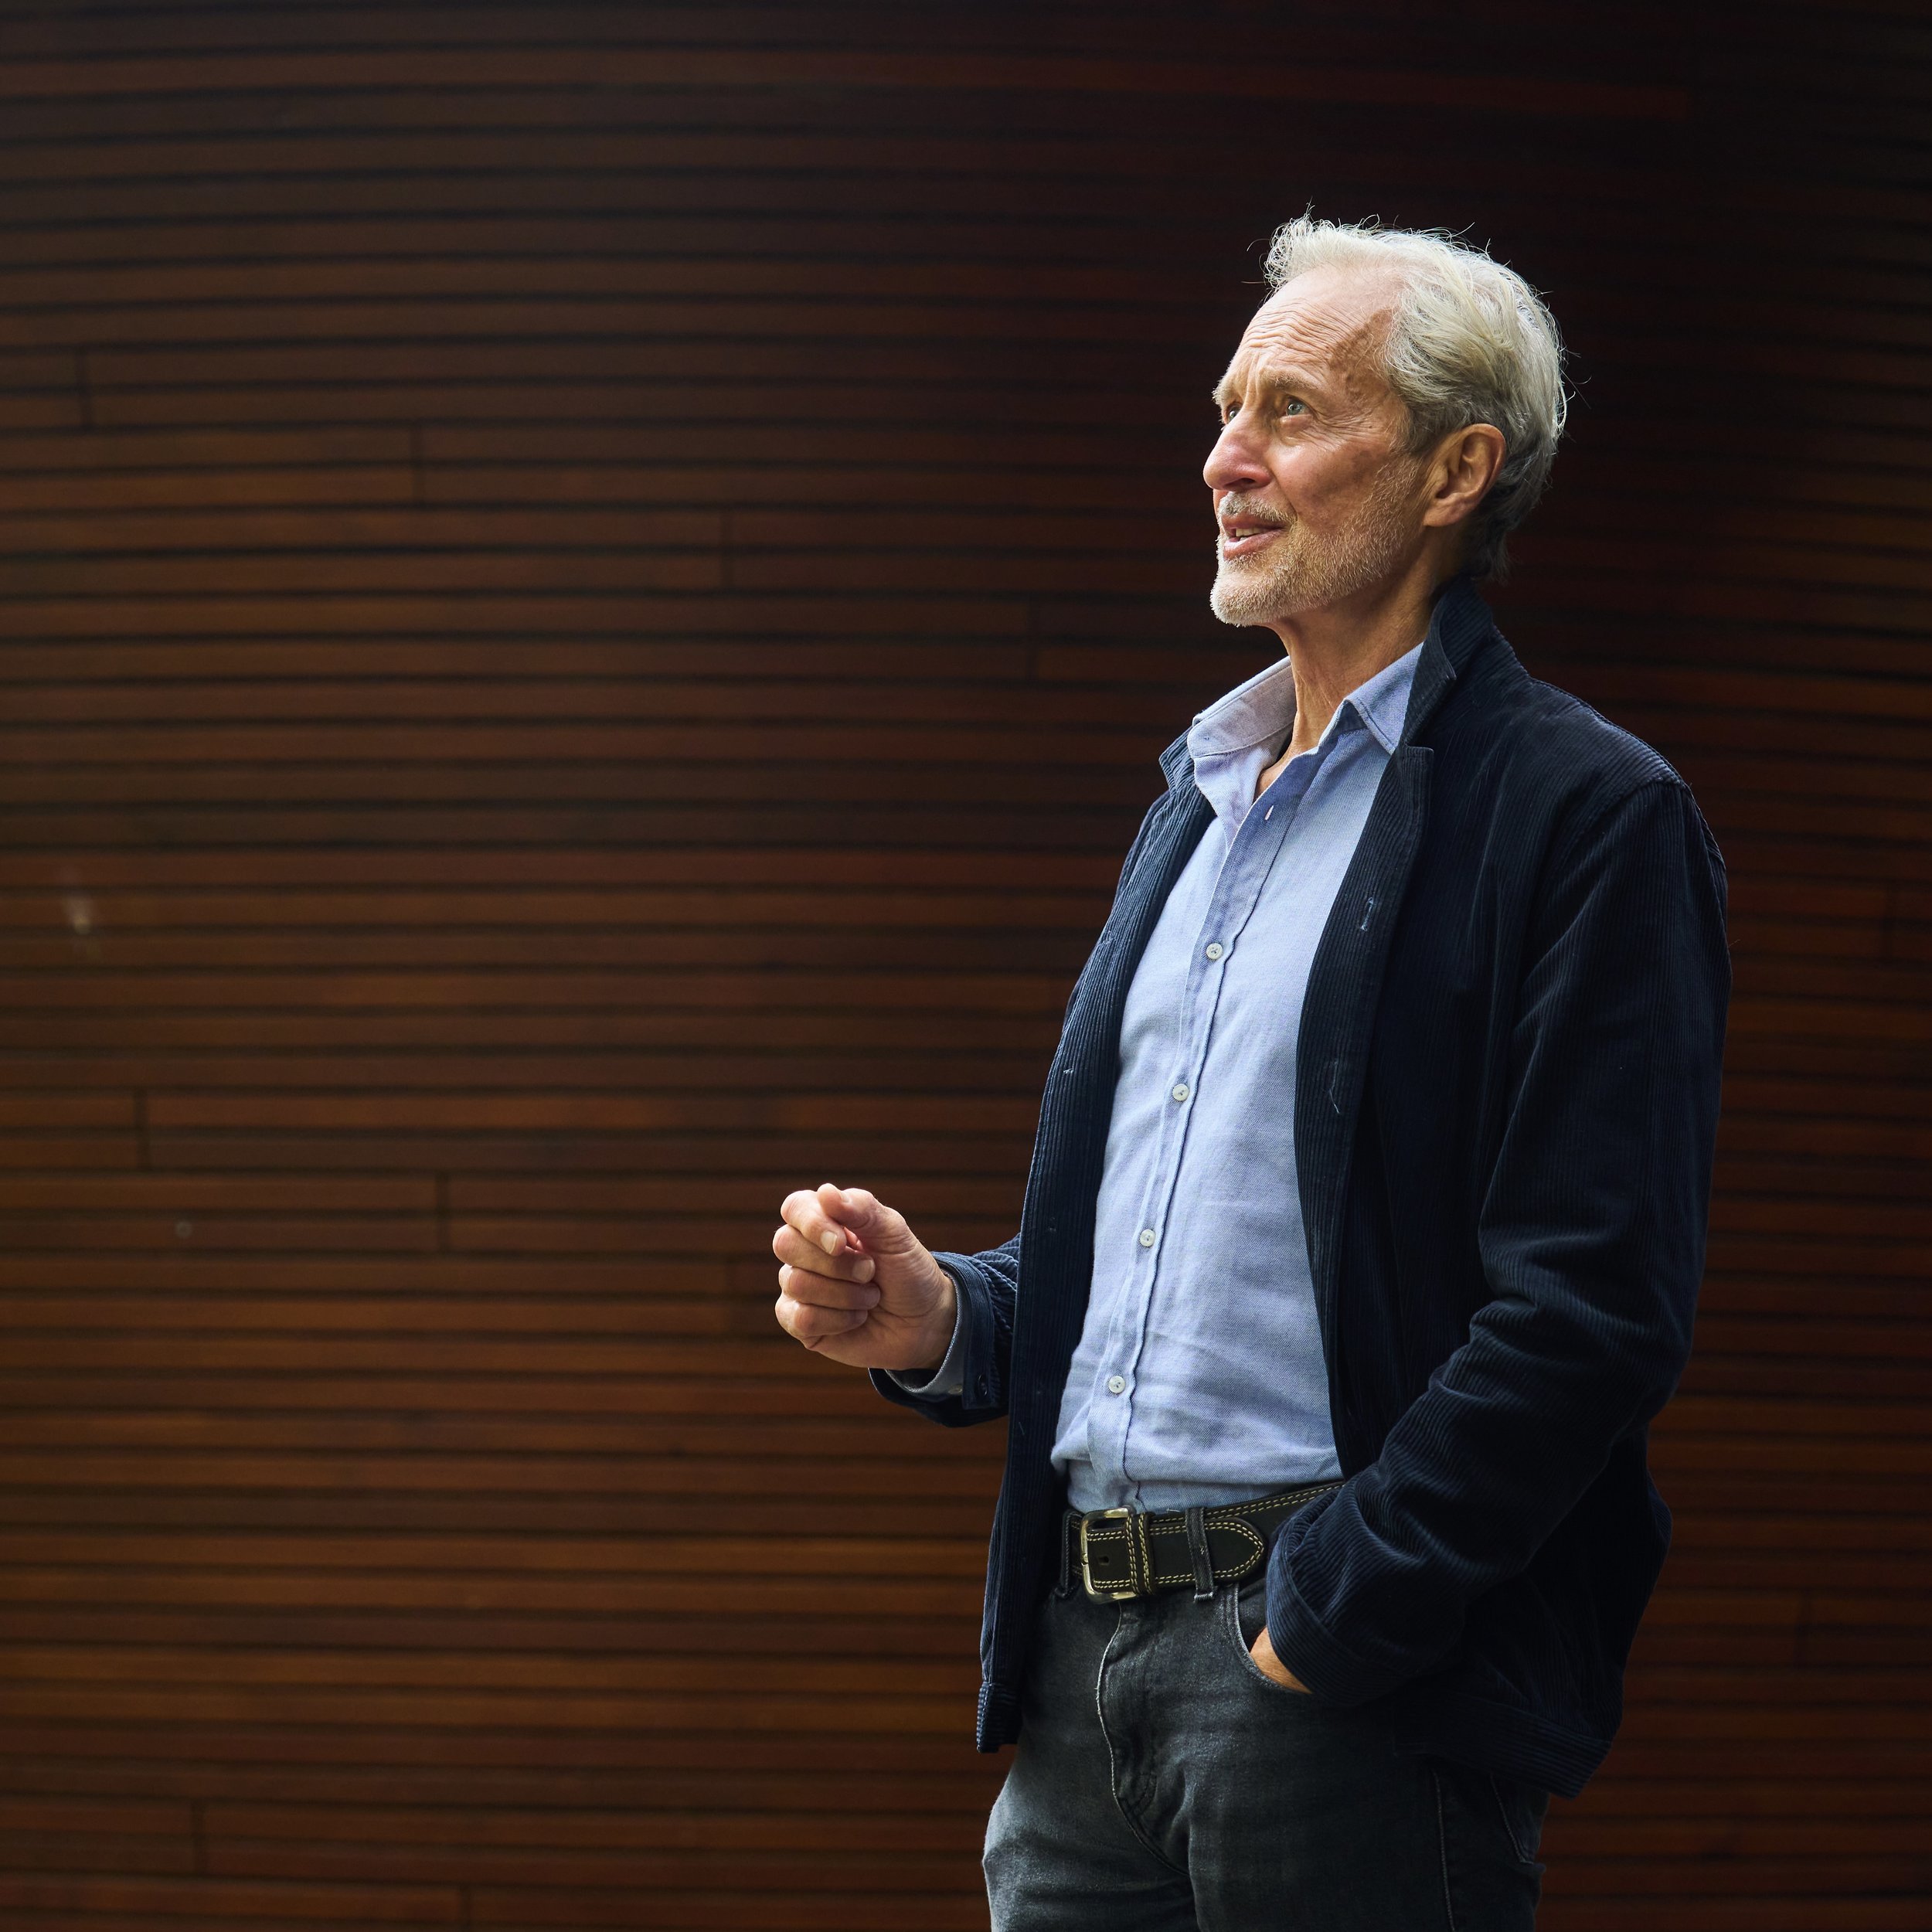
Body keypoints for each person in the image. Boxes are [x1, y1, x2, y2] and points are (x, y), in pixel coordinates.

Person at [770, 216, 1730, 1930]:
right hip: (1076, 1676)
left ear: (1455, 468)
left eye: (1289, 410)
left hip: (1332, 1686)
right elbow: (1167, 1258)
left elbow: (1591, 1307)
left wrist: (1329, 1612)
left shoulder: (1588, 818)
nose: (1225, 456)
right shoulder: (1195, 805)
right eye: (1225, 408)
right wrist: (945, 1318)